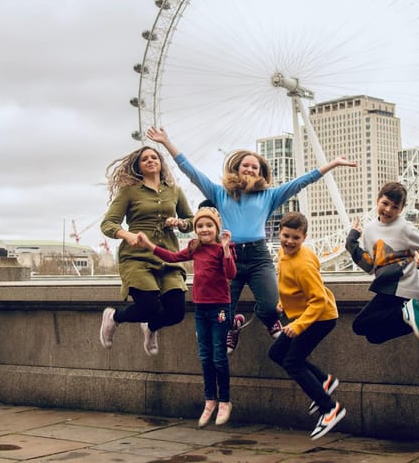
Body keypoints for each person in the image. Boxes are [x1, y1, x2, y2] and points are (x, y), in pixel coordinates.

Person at [146, 125, 356, 353]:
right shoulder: (218, 193)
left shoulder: (270, 195)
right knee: (220, 315)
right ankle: (233, 325)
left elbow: (301, 182)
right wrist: (166, 142)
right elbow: (192, 172)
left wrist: (332, 164)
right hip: (227, 256)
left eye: (254, 167)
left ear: (260, 172)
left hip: (258, 257)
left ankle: (267, 320)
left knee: (270, 306)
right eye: (245, 165)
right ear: (236, 169)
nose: (249, 169)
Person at [138, 207, 238, 427]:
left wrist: (226, 250)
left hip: (220, 308)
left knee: (219, 357)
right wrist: (149, 246)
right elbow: (173, 257)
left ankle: (225, 402)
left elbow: (231, 274)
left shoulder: (225, 248)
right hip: (201, 309)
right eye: (200, 226)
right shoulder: (195, 248)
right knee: (204, 357)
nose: (204, 229)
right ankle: (210, 400)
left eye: (209, 225)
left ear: (216, 228)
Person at [98, 146, 193, 356]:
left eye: (154, 157)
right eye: (144, 159)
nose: (150, 160)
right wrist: (127, 235)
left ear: (160, 162)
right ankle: (114, 318)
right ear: (138, 166)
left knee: (176, 313)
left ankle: (150, 327)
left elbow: (192, 220)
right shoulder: (129, 191)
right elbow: (108, 223)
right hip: (136, 258)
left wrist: (180, 223)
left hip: (167, 257)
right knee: (150, 307)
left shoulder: (174, 190)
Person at [346, 181, 419, 344]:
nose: (388, 210)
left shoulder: (405, 229)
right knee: (373, 336)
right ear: (378, 200)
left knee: (359, 325)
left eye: (395, 207)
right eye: (385, 203)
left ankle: (409, 311)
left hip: (406, 288)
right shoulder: (369, 229)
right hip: (388, 287)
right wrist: (351, 242)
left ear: (401, 209)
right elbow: (369, 265)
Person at [268, 212, 345, 440]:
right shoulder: (283, 253)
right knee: (277, 353)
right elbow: (288, 283)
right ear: (279, 232)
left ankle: (330, 408)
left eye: (296, 238)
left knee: (292, 362)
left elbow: (318, 299)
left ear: (305, 238)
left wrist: (299, 325)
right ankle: (323, 381)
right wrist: (284, 302)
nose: (289, 242)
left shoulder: (303, 265)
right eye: (286, 236)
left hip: (320, 318)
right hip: (306, 315)